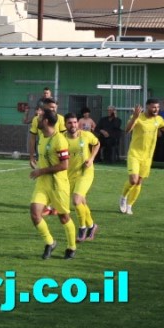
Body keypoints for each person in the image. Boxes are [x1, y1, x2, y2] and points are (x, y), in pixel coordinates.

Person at [119, 99, 164, 215]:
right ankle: (123, 197)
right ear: (147, 107)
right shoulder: (138, 117)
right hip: (134, 154)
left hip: (147, 157)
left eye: (158, 108)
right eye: (154, 107)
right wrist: (134, 117)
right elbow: (127, 130)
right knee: (133, 180)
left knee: (139, 182)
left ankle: (130, 205)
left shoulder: (158, 119)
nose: (156, 110)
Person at [28, 110, 77, 260]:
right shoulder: (42, 137)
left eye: (40, 118)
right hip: (43, 183)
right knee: (35, 214)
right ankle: (50, 242)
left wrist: (41, 170)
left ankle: (71, 247)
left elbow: (64, 165)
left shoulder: (60, 141)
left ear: (47, 122)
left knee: (64, 217)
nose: (37, 119)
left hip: (58, 184)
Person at [64, 113, 101, 242]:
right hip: (70, 175)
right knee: (82, 202)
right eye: (70, 123)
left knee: (76, 200)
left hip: (86, 172)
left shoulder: (86, 135)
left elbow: (97, 144)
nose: (73, 125)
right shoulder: (61, 138)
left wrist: (91, 159)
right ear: (65, 125)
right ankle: (92, 226)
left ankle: (82, 228)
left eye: (75, 122)